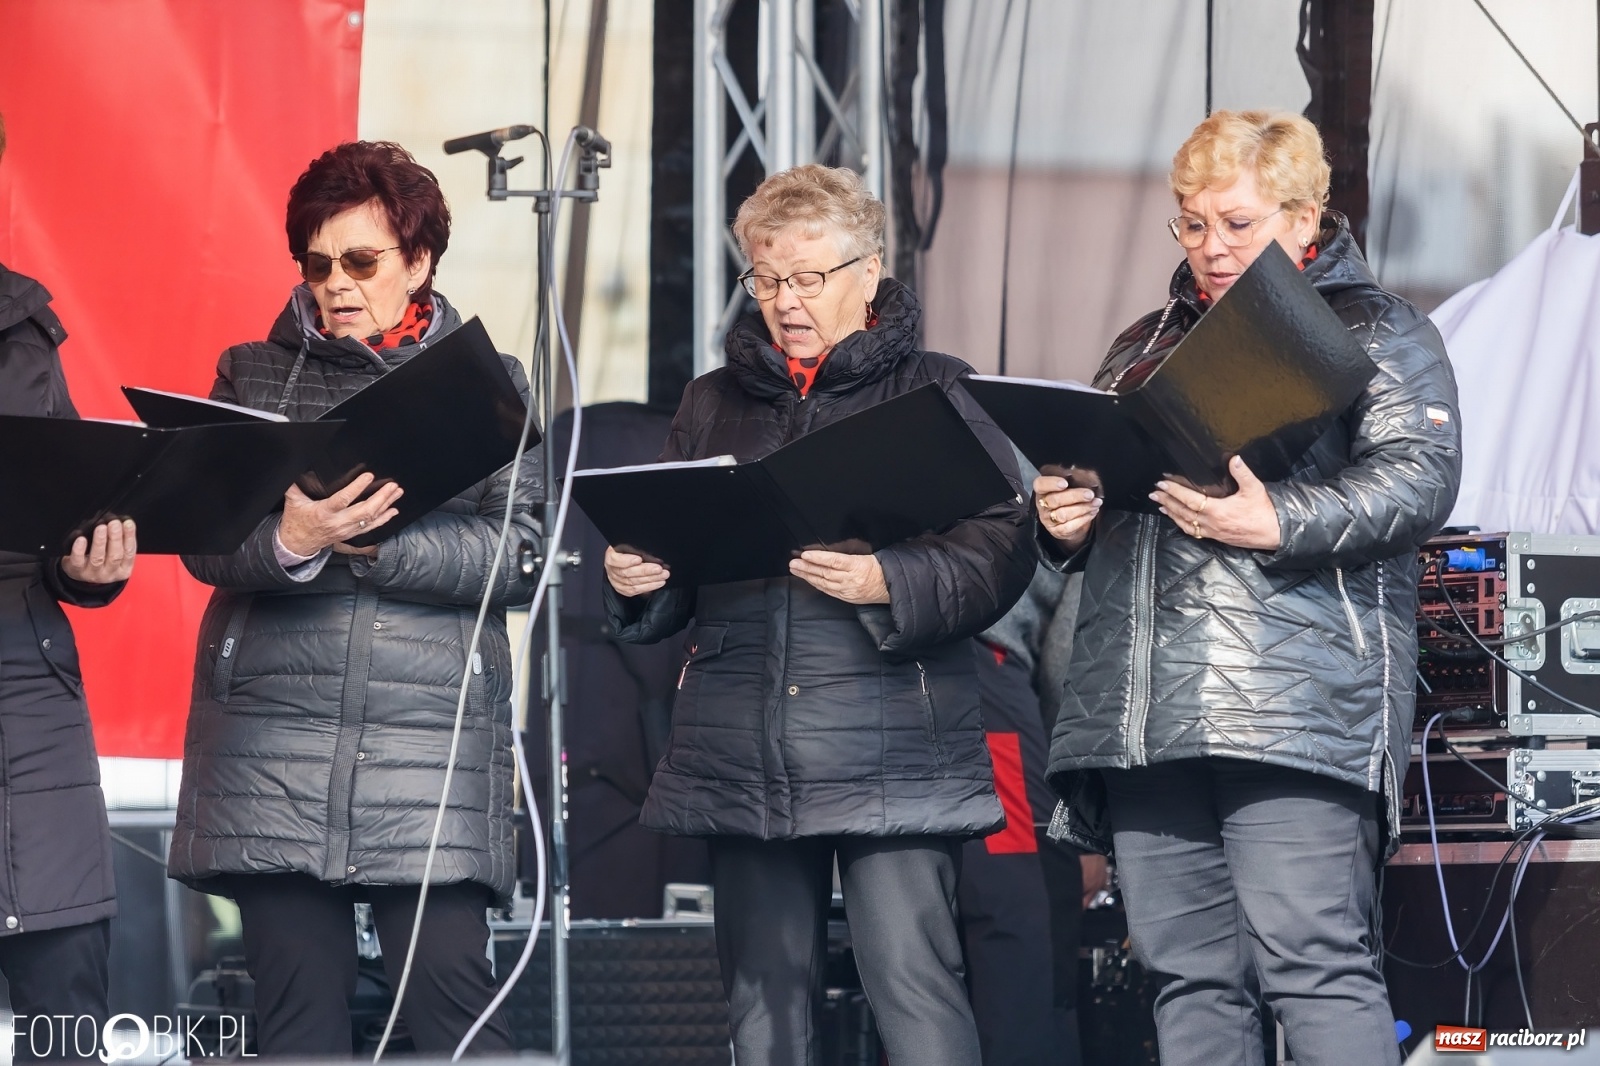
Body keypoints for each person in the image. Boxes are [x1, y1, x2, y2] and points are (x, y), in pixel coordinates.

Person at [1037, 110, 1461, 1066]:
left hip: (1294, 703)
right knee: (1188, 976)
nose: (1210, 246)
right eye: (1191, 223)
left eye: (1237, 223)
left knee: (1312, 964)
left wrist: (1281, 522)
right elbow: (1108, 489)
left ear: (1305, 220)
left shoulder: (1378, 326)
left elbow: (1421, 475)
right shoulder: (1143, 340)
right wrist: (1064, 518)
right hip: (1144, 712)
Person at [602, 163, 1033, 1066]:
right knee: (761, 1017)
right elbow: (687, 562)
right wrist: (644, 582)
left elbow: (1003, 545)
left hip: (894, 747)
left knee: (916, 998)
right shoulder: (711, 402)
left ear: (868, 273)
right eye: (765, 279)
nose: (785, 301)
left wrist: (893, 581)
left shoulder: (939, 387)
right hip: (743, 743)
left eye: (808, 279)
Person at [167, 141, 541, 1057]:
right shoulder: (250, 375)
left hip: (430, 753)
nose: (336, 283)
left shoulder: (494, 390)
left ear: (419, 261)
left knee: (457, 1019)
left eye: (362, 261)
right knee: (299, 1029)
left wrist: (382, 545)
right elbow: (205, 547)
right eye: (318, 262)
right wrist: (295, 541)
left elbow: (521, 559)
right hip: (274, 753)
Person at [0, 111, 138, 1061]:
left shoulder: (23, 327)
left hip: (28, 704)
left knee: (66, 1028)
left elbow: (68, 496)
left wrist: (90, 563)